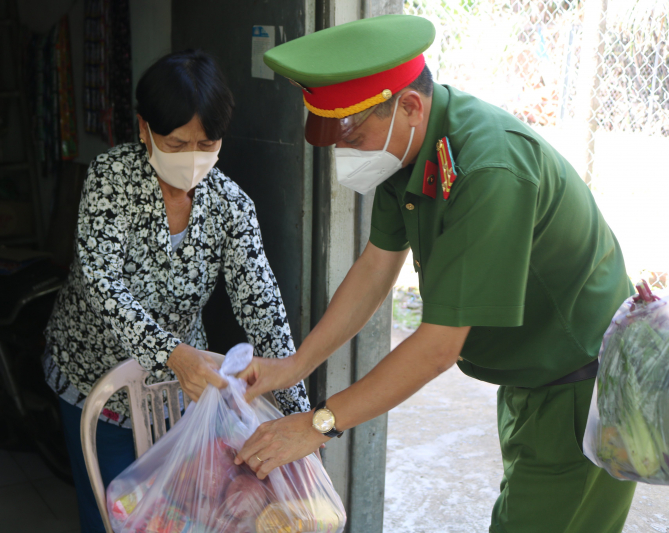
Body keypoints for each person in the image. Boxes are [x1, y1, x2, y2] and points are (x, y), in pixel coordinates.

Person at [234, 14, 636, 533]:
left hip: (581, 389)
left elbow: (438, 346)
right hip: (531, 379)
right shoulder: (405, 151)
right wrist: (294, 365)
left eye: (352, 138)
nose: (344, 155)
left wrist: (318, 424)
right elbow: (376, 268)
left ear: (410, 106)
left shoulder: (486, 170)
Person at [42, 49, 310, 533]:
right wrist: (172, 353)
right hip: (94, 378)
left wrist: (301, 417)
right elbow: (103, 283)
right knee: (113, 512)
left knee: (178, 515)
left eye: (206, 143)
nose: (192, 158)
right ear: (145, 129)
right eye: (176, 142)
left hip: (175, 393)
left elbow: (264, 310)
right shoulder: (111, 179)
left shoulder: (231, 206)